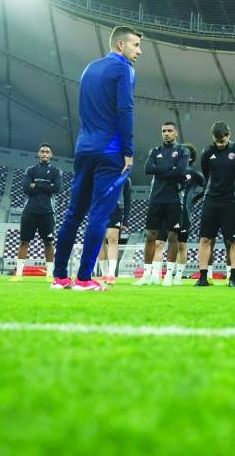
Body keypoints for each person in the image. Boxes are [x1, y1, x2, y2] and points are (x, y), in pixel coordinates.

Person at [52, 25, 142, 290]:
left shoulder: (89, 68)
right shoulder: (124, 69)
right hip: (111, 151)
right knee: (100, 216)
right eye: (135, 44)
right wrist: (128, 150)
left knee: (73, 214)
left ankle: (59, 277)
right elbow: (125, 108)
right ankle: (83, 279)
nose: (140, 50)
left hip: (84, 148)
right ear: (120, 46)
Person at [197, 122, 235, 287]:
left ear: (230, 134)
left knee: (234, 240)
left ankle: (233, 279)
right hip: (211, 200)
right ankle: (203, 278)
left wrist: (231, 187)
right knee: (205, 239)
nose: (220, 144)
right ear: (213, 137)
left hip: (231, 201)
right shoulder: (207, 151)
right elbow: (206, 174)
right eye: (217, 141)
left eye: (223, 140)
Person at [138, 122, 190, 286]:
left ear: (176, 133)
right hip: (156, 198)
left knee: (173, 237)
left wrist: (159, 169)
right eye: (163, 131)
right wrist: (170, 169)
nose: (166, 133)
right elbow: (147, 169)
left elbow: (181, 170)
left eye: (169, 131)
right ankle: (146, 275)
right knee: (150, 236)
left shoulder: (183, 150)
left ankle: (168, 275)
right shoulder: (155, 151)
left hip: (174, 199)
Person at [12, 144, 62, 282]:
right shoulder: (31, 170)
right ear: (38, 154)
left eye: (47, 152)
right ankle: (18, 275)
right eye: (42, 151)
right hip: (30, 211)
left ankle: (49, 274)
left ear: (51, 155)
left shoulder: (56, 171)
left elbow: (57, 188)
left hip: (47, 211)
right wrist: (47, 186)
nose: (45, 153)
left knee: (49, 242)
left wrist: (37, 185)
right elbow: (26, 188)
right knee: (24, 241)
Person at [178, 144, 204, 283]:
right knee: (169, 242)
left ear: (191, 157)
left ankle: (179, 274)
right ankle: (168, 273)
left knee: (181, 244)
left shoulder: (194, 174)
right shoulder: (173, 170)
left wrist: (194, 199)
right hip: (171, 209)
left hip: (185, 214)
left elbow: (207, 186)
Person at [97, 175, 130, 285]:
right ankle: (104, 274)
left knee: (112, 238)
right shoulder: (99, 174)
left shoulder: (125, 179)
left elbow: (127, 199)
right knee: (99, 241)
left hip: (115, 208)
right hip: (99, 208)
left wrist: (125, 220)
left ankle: (111, 274)